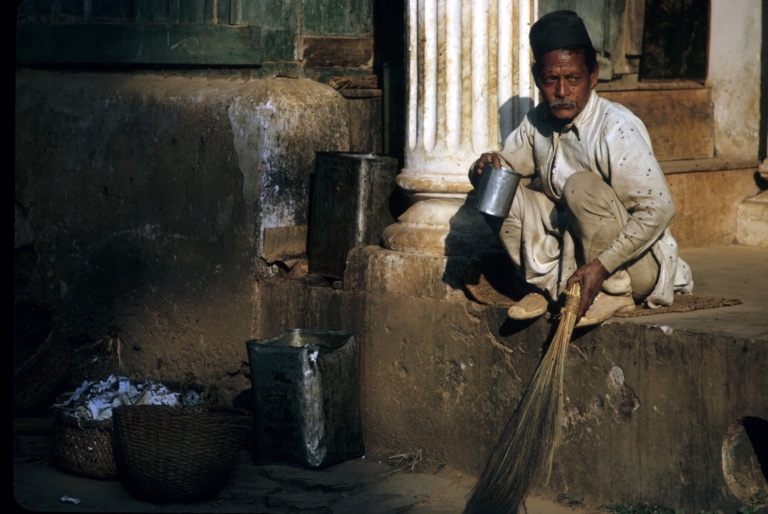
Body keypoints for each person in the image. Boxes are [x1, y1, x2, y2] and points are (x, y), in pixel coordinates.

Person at [471, 10, 693, 327]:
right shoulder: (537, 122)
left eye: (573, 79)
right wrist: (482, 167)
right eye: (551, 80)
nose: (562, 92)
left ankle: (612, 294)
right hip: (565, 257)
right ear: (538, 79)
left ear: (592, 76)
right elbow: (504, 166)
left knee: (580, 186)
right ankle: (546, 287)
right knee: (495, 183)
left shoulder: (615, 127)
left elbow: (660, 208)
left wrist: (602, 266)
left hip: (630, 267)